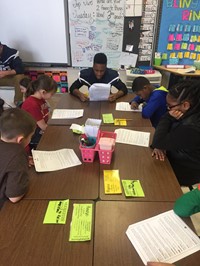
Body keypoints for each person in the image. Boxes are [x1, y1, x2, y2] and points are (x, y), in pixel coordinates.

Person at [151, 80, 200, 186]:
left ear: (185, 105)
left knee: (148, 174)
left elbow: (158, 142)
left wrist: (167, 117)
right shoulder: (193, 111)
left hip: (186, 173)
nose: (168, 109)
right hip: (179, 158)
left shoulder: (191, 126)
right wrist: (162, 143)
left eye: (170, 106)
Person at [0, 108, 36, 207]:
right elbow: (14, 197)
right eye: (30, 137)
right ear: (20, 139)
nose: (30, 139)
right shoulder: (17, 153)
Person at [21, 74, 57, 149]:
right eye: (52, 94)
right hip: (32, 135)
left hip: (39, 129)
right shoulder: (32, 104)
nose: (52, 96)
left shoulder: (41, 99)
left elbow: (47, 115)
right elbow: (43, 126)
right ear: (43, 92)